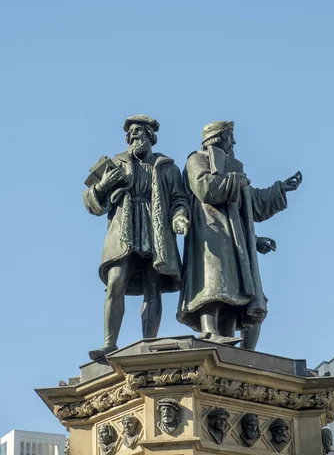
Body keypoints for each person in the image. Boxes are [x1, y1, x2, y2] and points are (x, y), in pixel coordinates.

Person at [177, 120, 301, 345]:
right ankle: (209, 331)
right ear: (219, 139)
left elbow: (252, 202)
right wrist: (236, 180)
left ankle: (227, 337)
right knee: (213, 284)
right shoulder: (196, 160)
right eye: (229, 137)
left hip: (234, 239)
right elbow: (205, 188)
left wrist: (280, 189)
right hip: (209, 231)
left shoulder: (232, 169)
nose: (233, 142)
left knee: (234, 292)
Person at [84, 115, 190, 360]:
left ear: (150, 137)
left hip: (156, 232)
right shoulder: (115, 164)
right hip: (124, 233)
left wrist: (179, 216)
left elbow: (179, 199)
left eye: (139, 132)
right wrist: (102, 187)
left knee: (153, 287)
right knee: (115, 282)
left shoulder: (167, 168)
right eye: (130, 133)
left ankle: (149, 342)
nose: (134, 136)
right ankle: (109, 343)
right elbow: (91, 203)